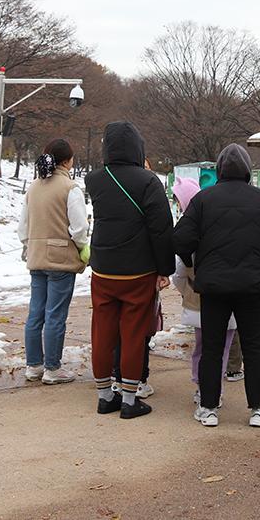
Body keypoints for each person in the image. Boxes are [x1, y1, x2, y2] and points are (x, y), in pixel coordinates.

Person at [175, 144, 260, 428]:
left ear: (219, 171)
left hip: (213, 286)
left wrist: (198, 259)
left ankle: (208, 406)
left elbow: (180, 240)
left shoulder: (203, 201)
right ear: (247, 173)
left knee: (212, 348)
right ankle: (259, 407)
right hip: (251, 286)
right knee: (253, 348)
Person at [84, 122, 174, 419]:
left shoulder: (94, 179)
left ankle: (103, 395)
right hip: (138, 270)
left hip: (103, 269)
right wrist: (165, 269)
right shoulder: (149, 181)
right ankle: (130, 399)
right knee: (134, 333)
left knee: (102, 331)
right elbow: (161, 229)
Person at [17, 139, 89, 385]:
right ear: (68, 161)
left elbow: (23, 228)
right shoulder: (70, 188)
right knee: (55, 315)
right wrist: (82, 249)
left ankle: (33, 365)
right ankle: (52, 368)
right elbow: (79, 229)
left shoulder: (33, 187)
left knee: (35, 314)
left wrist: (30, 246)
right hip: (60, 260)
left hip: (36, 257)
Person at [169, 178, 238, 407]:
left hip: (199, 300)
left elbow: (179, 272)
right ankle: (215, 388)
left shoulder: (190, 229)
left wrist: (187, 290)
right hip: (230, 293)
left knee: (203, 346)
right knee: (224, 347)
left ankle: (202, 386)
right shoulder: (226, 225)